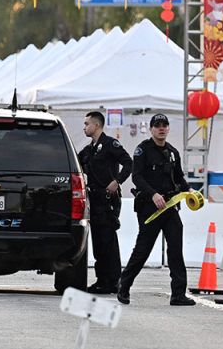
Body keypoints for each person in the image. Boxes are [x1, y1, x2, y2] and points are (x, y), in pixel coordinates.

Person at [116, 113, 196, 306]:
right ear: (151, 129)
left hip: (169, 207)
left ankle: (178, 294)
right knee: (143, 250)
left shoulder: (172, 152)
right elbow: (137, 177)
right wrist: (153, 194)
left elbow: (178, 178)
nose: (161, 128)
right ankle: (124, 287)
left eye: (164, 125)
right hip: (149, 207)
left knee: (175, 249)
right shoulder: (142, 150)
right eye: (157, 125)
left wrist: (189, 191)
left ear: (168, 128)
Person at [77, 111, 132, 295]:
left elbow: (128, 163)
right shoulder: (90, 149)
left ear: (97, 125)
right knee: (98, 242)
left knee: (108, 242)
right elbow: (76, 160)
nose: (85, 127)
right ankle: (102, 280)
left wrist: (117, 181)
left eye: (87, 124)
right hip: (95, 200)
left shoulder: (109, 145)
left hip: (108, 200)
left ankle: (114, 281)